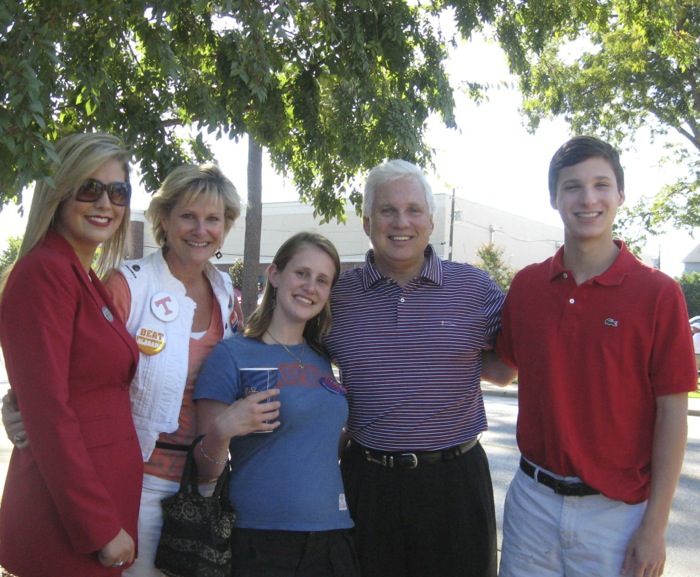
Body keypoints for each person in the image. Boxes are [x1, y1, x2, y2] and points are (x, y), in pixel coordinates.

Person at [2, 162, 244, 577]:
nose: (200, 229)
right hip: (138, 484)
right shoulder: (126, 285)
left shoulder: (225, 295)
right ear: (163, 219)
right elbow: (70, 371)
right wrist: (17, 403)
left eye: (213, 219)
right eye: (188, 216)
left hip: (201, 485)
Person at [493, 136, 696, 577]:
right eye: (572, 187)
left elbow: (673, 415)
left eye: (601, 184)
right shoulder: (527, 287)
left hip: (618, 517)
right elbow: (502, 369)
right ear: (554, 198)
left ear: (620, 194)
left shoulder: (659, 294)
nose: (588, 199)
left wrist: (655, 529)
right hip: (533, 505)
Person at [324, 159, 508, 577]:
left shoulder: (475, 289)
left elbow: (508, 366)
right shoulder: (337, 298)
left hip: (455, 484)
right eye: (387, 211)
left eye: (413, 210)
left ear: (431, 220)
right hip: (367, 485)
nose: (400, 222)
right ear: (368, 222)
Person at [0, 132, 143, 575]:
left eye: (118, 191)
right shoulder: (45, 272)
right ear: (59, 192)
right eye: (88, 188)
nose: (105, 203)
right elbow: (48, 413)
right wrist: (99, 527)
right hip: (67, 524)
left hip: (97, 506)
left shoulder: (83, 275)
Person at [193, 232, 360, 577]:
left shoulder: (322, 358)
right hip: (261, 540)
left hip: (332, 535)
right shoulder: (232, 354)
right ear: (275, 275)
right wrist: (224, 429)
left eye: (322, 280)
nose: (310, 287)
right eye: (301, 273)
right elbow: (203, 471)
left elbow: (320, 443)